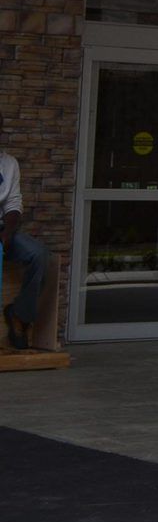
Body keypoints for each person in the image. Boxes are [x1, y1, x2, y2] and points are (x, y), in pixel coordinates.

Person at [2, 116, 48, 350]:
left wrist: (8, 234)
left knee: (38, 254)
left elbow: (13, 204)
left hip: (2, 230)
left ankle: (19, 314)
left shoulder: (9, 164)